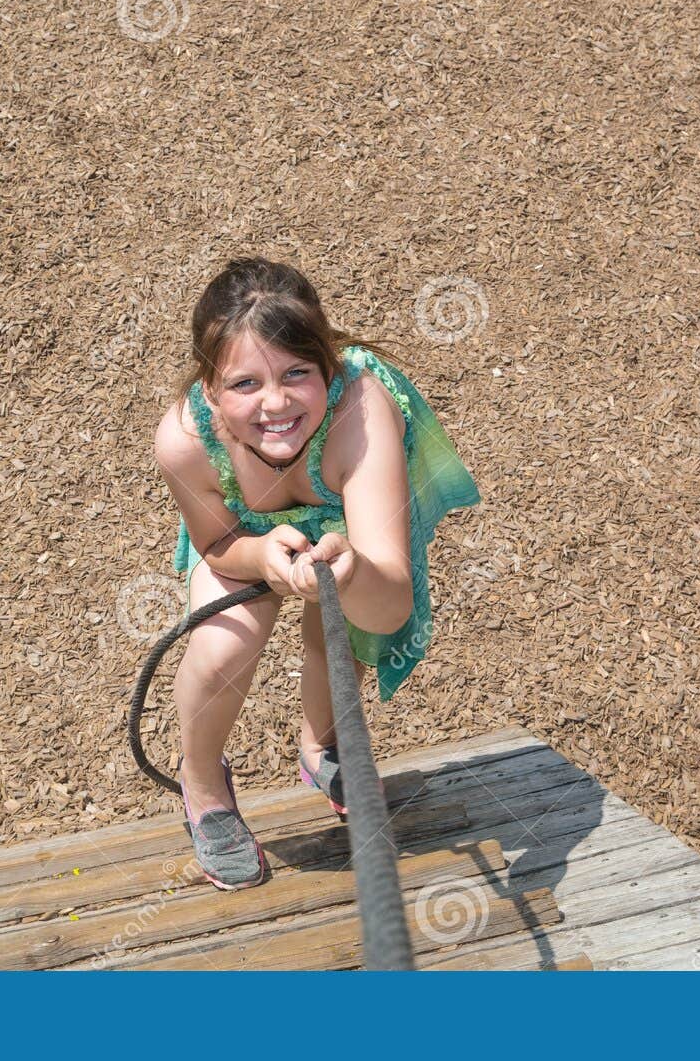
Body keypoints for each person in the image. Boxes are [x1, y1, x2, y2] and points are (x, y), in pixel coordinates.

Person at [152, 256, 481, 889]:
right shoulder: (184, 442)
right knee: (225, 645)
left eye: (296, 373)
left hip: (345, 515)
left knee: (347, 628)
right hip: (243, 533)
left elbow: (389, 609)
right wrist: (258, 558)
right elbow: (217, 542)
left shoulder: (361, 414)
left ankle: (322, 747)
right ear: (212, 390)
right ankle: (202, 784)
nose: (274, 403)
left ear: (328, 367)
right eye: (245, 384)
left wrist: (351, 572)